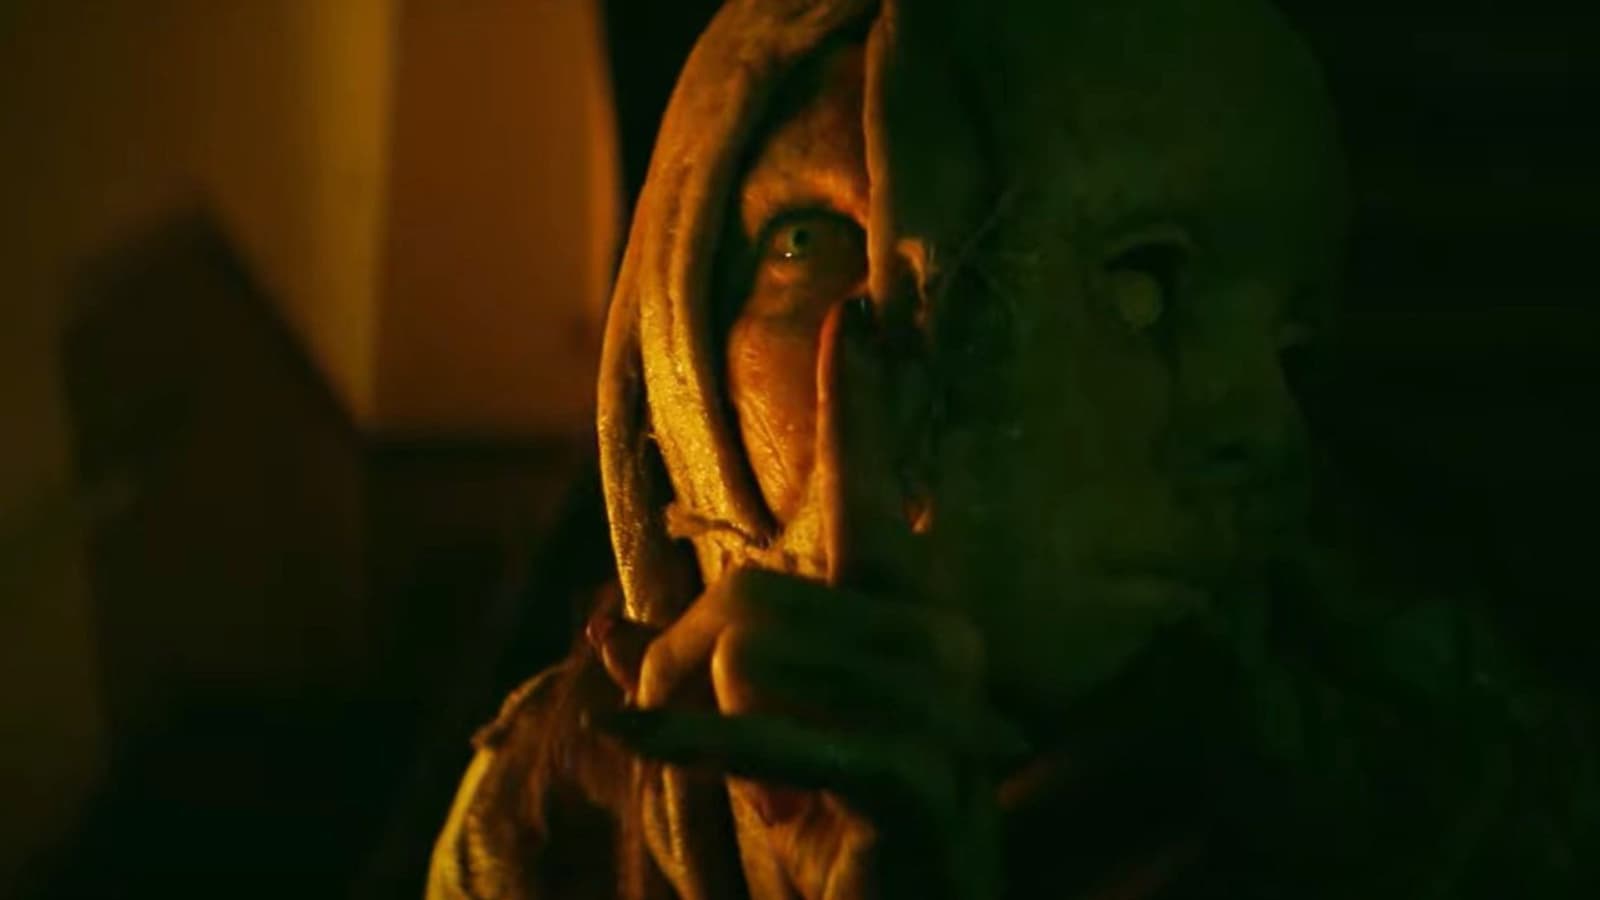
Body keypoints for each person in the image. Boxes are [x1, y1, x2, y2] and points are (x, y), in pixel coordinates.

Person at [428, 0, 1596, 897]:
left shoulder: (1440, 821)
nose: (1262, 431)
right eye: (813, 243)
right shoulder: (545, 823)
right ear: (671, 329)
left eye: (1290, 349)